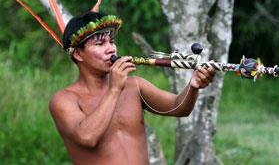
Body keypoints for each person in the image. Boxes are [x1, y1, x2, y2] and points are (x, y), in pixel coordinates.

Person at [49, 11, 215, 164]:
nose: (110, 49)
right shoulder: (64, 100)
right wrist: (114, 90)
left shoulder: (134, 85)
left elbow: (179, 108)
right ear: (78, 54)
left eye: (112, 42)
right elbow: (87, 137)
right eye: (100, 44)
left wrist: (193, 86)